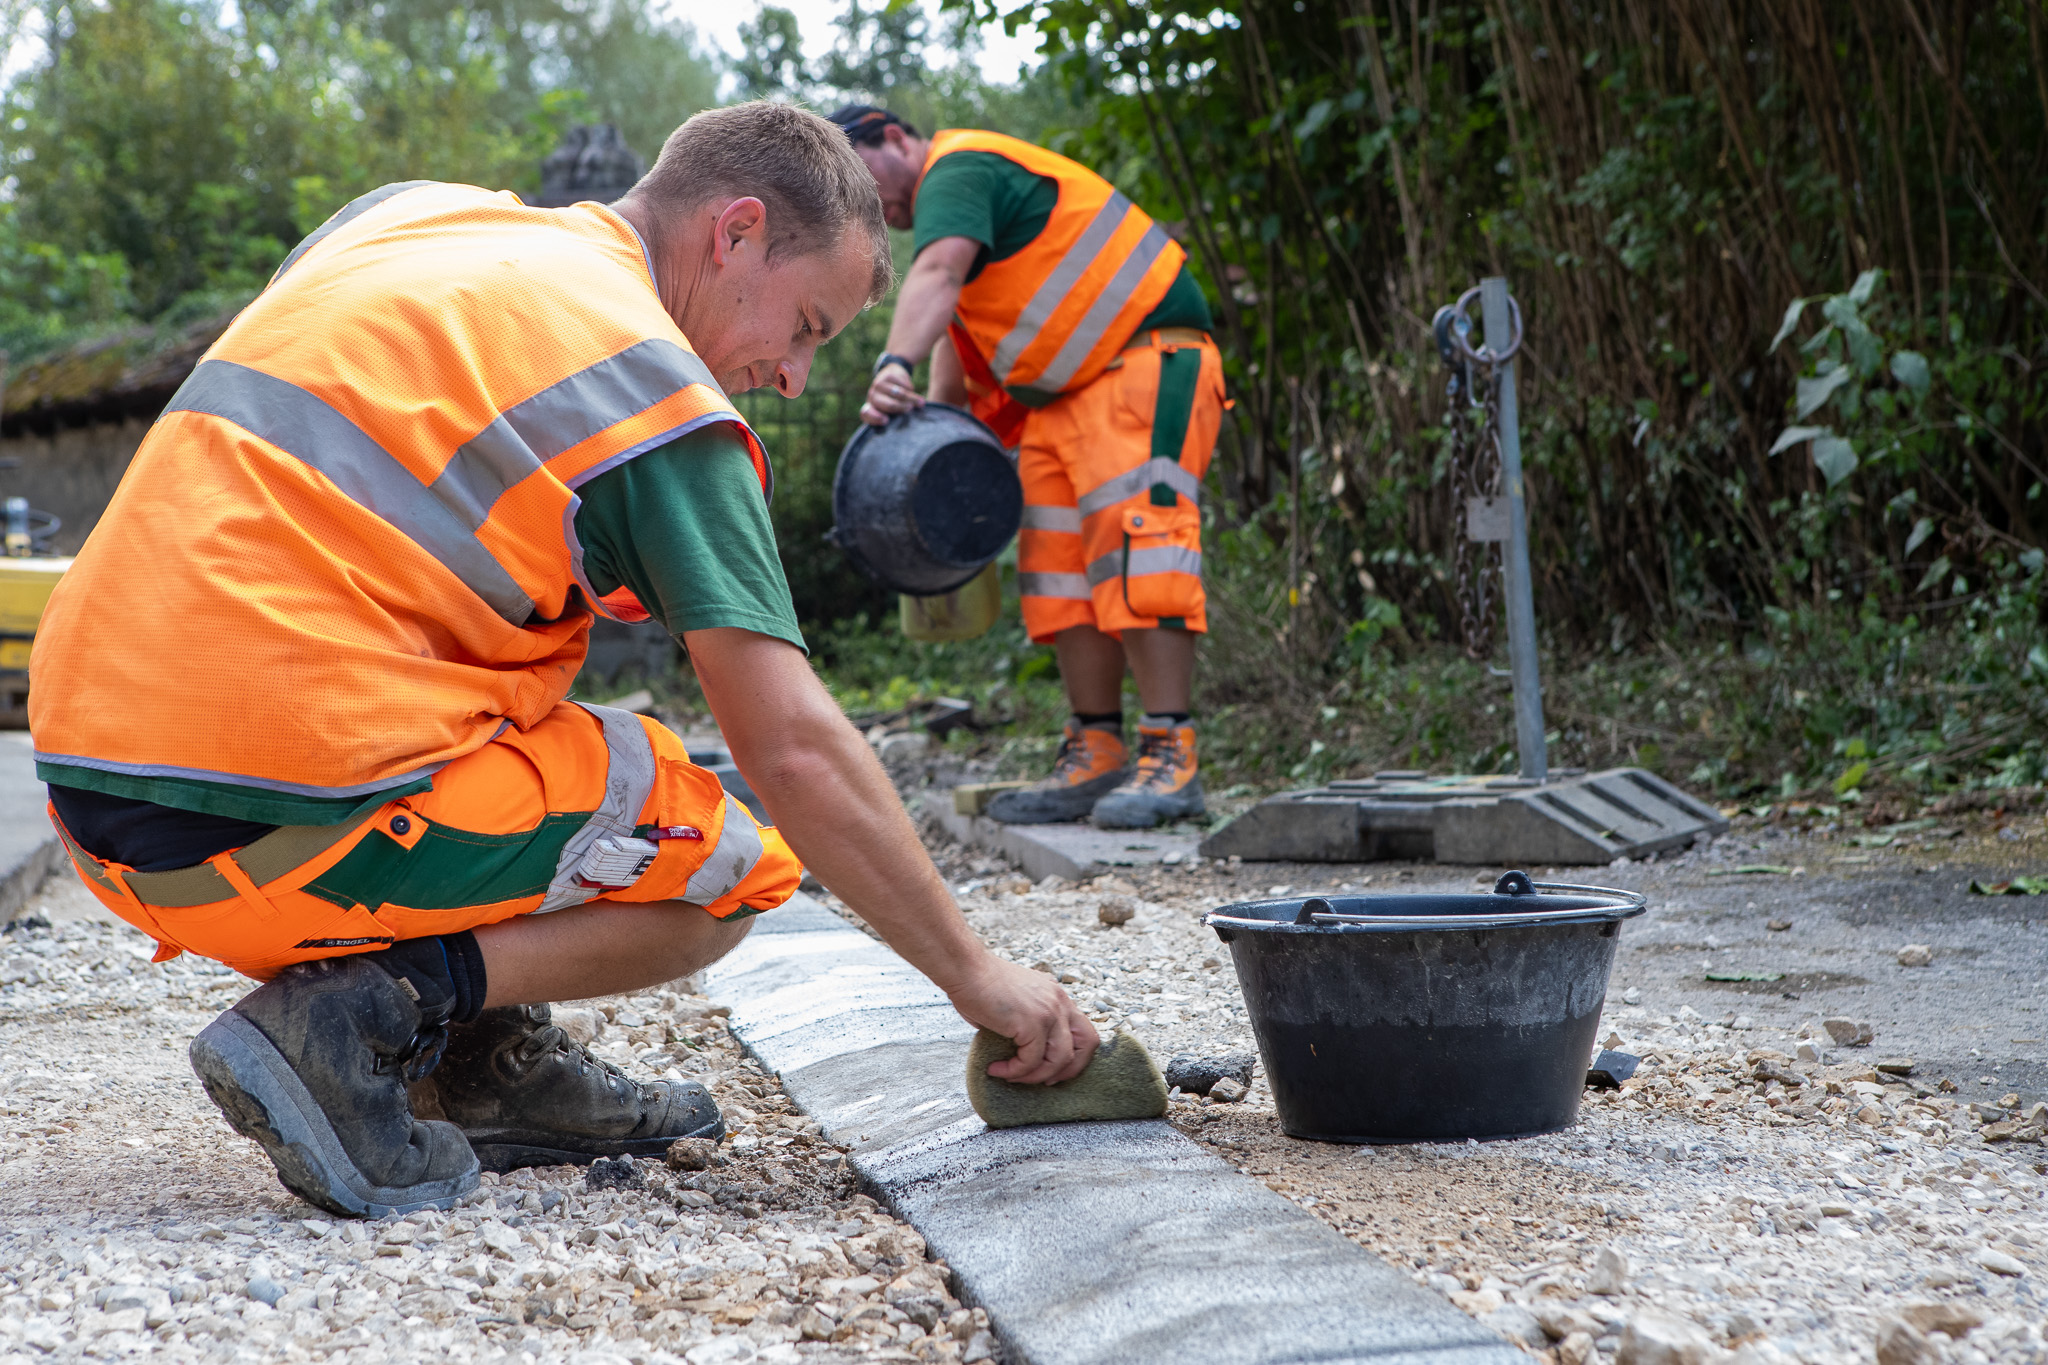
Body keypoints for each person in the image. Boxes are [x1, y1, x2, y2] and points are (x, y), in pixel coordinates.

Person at [28, 102, 1097, 1218]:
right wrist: (978, 978)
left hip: (98, 807)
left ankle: (480, 1070)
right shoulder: (642, 384)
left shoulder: (410, 221)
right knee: (725, 856)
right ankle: (368, 1014)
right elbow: (790, 746)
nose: (789, 375)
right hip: (269, 824)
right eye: (807, 326)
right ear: (733, 232)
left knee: (527, 705)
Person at [831, 106, 1223, 832]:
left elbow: (938, 274)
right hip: (1063, 399)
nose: (869, 205)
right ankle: (1096, 750)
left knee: (1142, 549)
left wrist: (891, 366)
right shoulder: (965, 233)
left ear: (894, 137)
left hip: (1143, 361)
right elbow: (956, 355)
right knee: (1060, 577)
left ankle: (1173, 753)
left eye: (859, 177)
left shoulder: (960, 168)